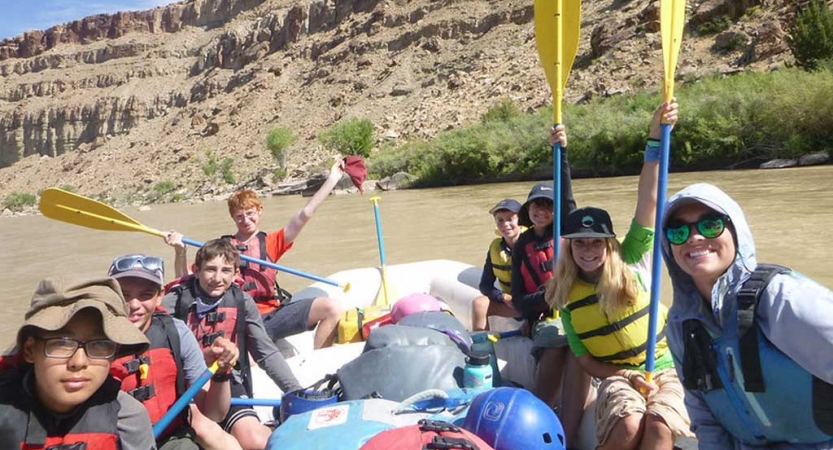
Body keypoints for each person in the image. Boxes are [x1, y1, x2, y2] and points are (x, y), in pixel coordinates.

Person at [545, 100, 692, 450]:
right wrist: (625, 375)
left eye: (597, 242)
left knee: (658, 426)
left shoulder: (633, 257)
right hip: (617, 375)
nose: (588, 250)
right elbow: (584, 359)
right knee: (628, 424)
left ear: (610, 244)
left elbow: (649, 201)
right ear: (569, 247)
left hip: (667, 366)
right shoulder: (566, 293)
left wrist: (655, 138)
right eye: (580, 243)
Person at [660, 182, 833, 448]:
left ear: (736, 231)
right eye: (678, 231)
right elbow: (704, 417)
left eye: (710, 224)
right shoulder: (681, 324)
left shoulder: (781, 299)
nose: (693, 238)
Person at [165, 160, 345, 349]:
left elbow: (305, 214)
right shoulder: (222, 248)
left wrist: (333, 178)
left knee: (331, 308)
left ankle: (319, 361)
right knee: (250, 361)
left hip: (274, 314)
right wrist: (180, 251)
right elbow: (183, 280)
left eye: (250, 213)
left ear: (260, 211)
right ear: (233, 218)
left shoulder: (272, 242)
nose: (245, 220)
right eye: (239, 216)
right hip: (241, 320)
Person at [162, 239, 303, 450]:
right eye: (210, 270)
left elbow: (266, 354)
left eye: (226, 271)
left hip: (227, 382)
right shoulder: (173, 302)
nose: (218, 278)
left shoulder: (243, 302)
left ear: (236, 273)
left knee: (256, 441)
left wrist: (296, 393)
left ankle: (274, 432)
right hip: (185, 389)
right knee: (204, 432)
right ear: (196, 270)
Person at [0, 276, 156, 450]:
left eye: (99, 345)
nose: (79, 362)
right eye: (61, 343)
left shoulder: (127, 416)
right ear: (30, 350)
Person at [107, 253, 244, 450]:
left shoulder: (177, 332)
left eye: (145, 295)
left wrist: (222, 372)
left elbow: (214, 414)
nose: (134, 305)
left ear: (160, 296)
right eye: (124, 295)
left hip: (169, 440)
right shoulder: (93, 340)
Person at [509, 125, 591, 446]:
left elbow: (568, 197)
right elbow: (519, 300)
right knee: (556, 342)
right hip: (545, 321)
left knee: (574, 348)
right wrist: (547, 296)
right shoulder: (522, 246)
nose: (541, 210)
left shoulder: (566, 232)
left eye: (547, 204)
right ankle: (541, 424)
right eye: (535, 205)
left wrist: (563, 151)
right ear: (528, 212)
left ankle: (567, 433)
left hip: (576, 319)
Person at [470, 198, 525, 331]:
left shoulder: (531, 245)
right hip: (512, 304)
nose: (505, 224)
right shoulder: (495, 248)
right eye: (500, 220)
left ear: (521, 221)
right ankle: (483, 346)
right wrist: (503, 297)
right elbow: (485, 285)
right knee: (479, 303)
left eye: (510, 219)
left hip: (531, 303)